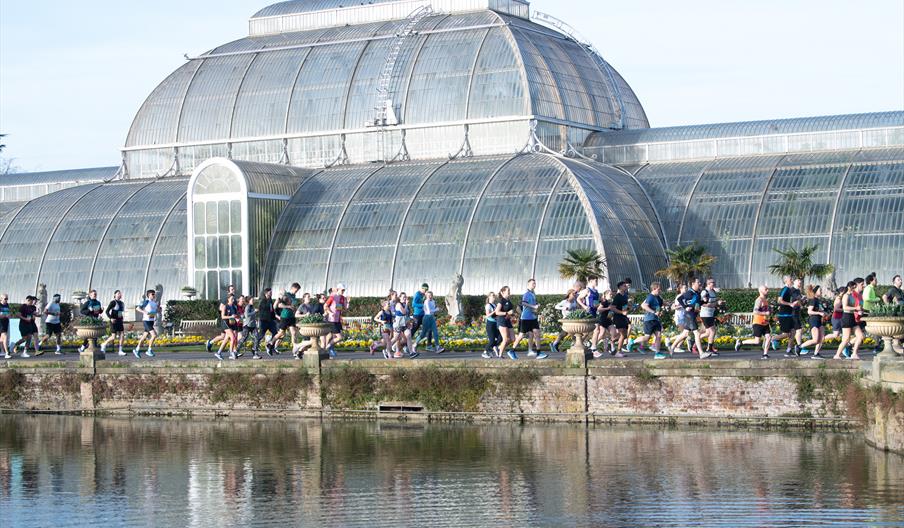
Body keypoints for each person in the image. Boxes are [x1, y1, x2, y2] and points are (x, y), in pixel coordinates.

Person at [512, 279, 548, 359]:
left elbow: (532, 307)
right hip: (525, 318)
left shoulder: (533, 294)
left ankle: (538, 353)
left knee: (537, 334)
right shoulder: (526, 294)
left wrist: (536, 308)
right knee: (521, 335)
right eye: (532, 284)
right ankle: (512, 350)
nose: (534, 285)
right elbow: (523, 303)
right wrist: (533, 306)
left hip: (533, 318)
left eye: (535, 284)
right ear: (528, 285)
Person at [628, 282, 666, 359]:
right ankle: (632, 342)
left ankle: (657, 353)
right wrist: (654, 312)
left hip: (656, 320)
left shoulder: (658, 297)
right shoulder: (650, 297)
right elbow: (644, 306)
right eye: (659, 289)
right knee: (647, 337)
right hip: (649, 320)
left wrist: (660, 311)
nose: (660, 290)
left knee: (658, 336)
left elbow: (662, 304)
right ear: (654, 289)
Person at [734, 285, 773, 359]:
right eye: (766, 289)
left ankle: (765, 354)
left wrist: (770, 310)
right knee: (757, 341)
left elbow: (765, 310)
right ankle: (741, 342)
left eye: (767, 289)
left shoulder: (765, 300)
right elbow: (755, 311)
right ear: (761, 291)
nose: (768, 290)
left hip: (765, 323)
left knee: (768, 337)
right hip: (758, 323)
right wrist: (765, 313)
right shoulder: (759, 300)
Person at [676, 278, 711, 359]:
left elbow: (698, 303)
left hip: (693, 315)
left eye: (699, 282)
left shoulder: (697, 293)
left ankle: (672, 347)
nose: (699, 283)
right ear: (693, 284)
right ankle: (701, 353)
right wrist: (685, 307)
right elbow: (679, 299)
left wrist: (705, 301)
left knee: (684, 334)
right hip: (689, 315)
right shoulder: (689, 292)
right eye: (698, 282)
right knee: (697, 334)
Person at [834, 280, 864, 360]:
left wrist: (859, 310)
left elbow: (853, 307)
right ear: (848, 287)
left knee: (860, 336)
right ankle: (837, 355)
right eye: (852, 287)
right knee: (846, 339)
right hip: (846, 318)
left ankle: (854, 354)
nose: (854, 289)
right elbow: (845, 308)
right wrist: (856, 308)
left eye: (854, 287)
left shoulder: (852, 296)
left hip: (852, 318)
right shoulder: (846, 296)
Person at [206, 284, 237, 352]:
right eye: (232, 289)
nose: (233, 290)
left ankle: (234, 351)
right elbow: (220, 308)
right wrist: (227, 314)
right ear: (228, 291)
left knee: (228, 335)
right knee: (225, 336)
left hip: (231, 320)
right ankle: (210, 343)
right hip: (225, 320)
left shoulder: (234, 298)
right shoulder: (226, 298)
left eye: (234, 289)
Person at [800, 285, 827, 359]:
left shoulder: (818, 300)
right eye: (820, 290)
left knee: (822, 338)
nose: (821, 291)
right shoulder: (813, 300)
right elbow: (809, 311)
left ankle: (816, 354)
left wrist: (823, 312)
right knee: (815, 340)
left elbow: (818, 310)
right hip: (814, 320)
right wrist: (819, 313)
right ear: (815, 292)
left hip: (819, 320)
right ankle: (800, 347)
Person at [774, 275, 798, 356]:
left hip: (790, 315)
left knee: (793, 332)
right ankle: (772, 339)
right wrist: (790, 304)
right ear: (786, 281)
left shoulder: (790, 290)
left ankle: (788, 351)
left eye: (791, 279)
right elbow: (779, 300)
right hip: (784, 315)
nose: (792, 280)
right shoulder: (784, 289)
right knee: (787, 334)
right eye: (790, 279)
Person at [699, 278, 724, 355]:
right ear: (708, 283)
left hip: (711, 314)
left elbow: (714, 301)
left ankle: (698, 343)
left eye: (714, 282)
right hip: (705, 314)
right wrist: (713, 304)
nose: (714, 283)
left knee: (708, 333)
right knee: (712, 331)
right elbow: (702, 303)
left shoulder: (713, 291)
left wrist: (718, 302)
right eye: (712, 282)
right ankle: (709, 349)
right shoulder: (704, 292)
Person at [391, 292, 419, 359]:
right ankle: (387, 349)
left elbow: (407, 315)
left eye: (405, 297)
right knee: (395, 338)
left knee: (408, 335)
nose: (404, 298)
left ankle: (411, 353)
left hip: (405, 325)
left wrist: (411, 321)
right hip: (398, 324)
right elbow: (404, 312)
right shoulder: (398, 304)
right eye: (403, 297)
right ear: (400, 298)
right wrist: (406, 304)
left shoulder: (405, 305)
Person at [324, 283, 349, 359]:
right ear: (338, 289)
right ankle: (326, 348)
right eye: (342, 290)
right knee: (339, 337)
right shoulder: (333, 297)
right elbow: (325, 306)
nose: (343, 291)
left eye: (344, 290)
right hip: (331, 320)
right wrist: (330, 313)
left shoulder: (342, 298)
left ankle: (327, 350)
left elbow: (344, 308)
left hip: (337, 320)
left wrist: (347, 302)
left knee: (330, 336)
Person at [550, 289, 578, 354]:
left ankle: (555, 344)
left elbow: (575, 309)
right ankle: (574, 345)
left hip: (572, 319)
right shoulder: (565, 301)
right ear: (569, 294)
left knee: (565, 333)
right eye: (573, 294)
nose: (574, 295)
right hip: (566, 319)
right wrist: (564, 308)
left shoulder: (574, 301)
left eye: (575, 294)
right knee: (572, 332)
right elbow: (556, 306)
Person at [215, 294, 241, 360]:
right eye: (231, 299)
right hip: (225, 324)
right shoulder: (225, 307)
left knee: (226, 340)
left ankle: (218, 353)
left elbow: (235, 315)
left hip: (231, 324)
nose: (233, 300)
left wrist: (237, 318)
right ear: (228, 299)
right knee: (233, 337)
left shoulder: (234, 307)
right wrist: (230, 317)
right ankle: (231, 353)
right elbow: (223, 317)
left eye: (233, 299)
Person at [134, 289, 159, 358]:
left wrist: (158, 310)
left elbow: (155, 311)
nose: (154, 295)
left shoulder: (154, 303)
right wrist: (145, 312)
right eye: (152, 294)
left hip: (151, 321)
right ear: (149, 295)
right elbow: (138, 308)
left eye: (154, 294)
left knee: (144, 337)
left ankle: (137, 349)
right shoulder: (146, 302)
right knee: (154, 335)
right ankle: (149, 350)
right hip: (146, 321)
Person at [609, 282, 632, 358]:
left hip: (623, 317)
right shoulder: (617, 296)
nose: (626, 287)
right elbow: (612, 307)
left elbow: (624, 307)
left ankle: (612, 341)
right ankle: (618, 351)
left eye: (626, 286)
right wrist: (622, 312)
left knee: (624, 335)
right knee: (622, 333)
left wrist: (629, 307)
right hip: (618, 317)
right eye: (624, 286)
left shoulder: (625, 296)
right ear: (620, 287)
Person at [100, 290, 126, 356]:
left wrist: (122, 319)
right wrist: (111, 318)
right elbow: (107, 311)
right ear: (115, 295)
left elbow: (120, 313)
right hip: (113, 321)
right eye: (118, 294)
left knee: (122, 335)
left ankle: (120, 350)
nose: (120, 295)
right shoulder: (113, 302)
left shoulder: (122, 303)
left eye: (120, 294)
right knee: (113, 337)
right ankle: (104, 344)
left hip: (120, 321)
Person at [255, 288, 279, 357]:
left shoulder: (270, 300)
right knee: (261, 335)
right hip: (264, 321)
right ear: (266, 293)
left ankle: (270, 346)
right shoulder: (263, 300)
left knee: (276, 333)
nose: (271, 294)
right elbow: (264, 309)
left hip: (270, 321)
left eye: (271, 292)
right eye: (270, 293)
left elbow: (271, 310)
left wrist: (274, 318)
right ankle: (255, 348)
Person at [495, 286, 516, 360]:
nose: (509, 292)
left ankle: (500, 347)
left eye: (509, 290)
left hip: (508, 321)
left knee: (513, 339)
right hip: (501, 321)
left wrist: (512, 315)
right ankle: (500, 355)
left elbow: (510, 312)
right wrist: (507, 313)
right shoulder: (501, 301)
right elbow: (497, 312)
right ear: (503, 292)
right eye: (508, 290)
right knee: (506, 339)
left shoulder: (509, 301)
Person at [482, 292, 501, 359]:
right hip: (490, 324)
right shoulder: (488, 305)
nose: (494, 297)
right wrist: (494, 312)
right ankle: (485, 352)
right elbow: (487, 315)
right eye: (492, 296)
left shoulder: (494, 305)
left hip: (495, 324)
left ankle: (491, 348)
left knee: (500, 338)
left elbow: (497, 314)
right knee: (492, 340)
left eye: (494, 296)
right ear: (489, 297)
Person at [0, 294, 10, 359]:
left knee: (1, 338)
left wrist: (9, 315)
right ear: (1, 299)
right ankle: (7, 352)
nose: (6, 300)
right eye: (5, 299)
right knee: (5, 336)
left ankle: (2, 351)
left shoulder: (7, 305)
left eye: (7, 299)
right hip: (1, 323)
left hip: (5, 323)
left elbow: (7, 313)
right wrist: (5, 316)